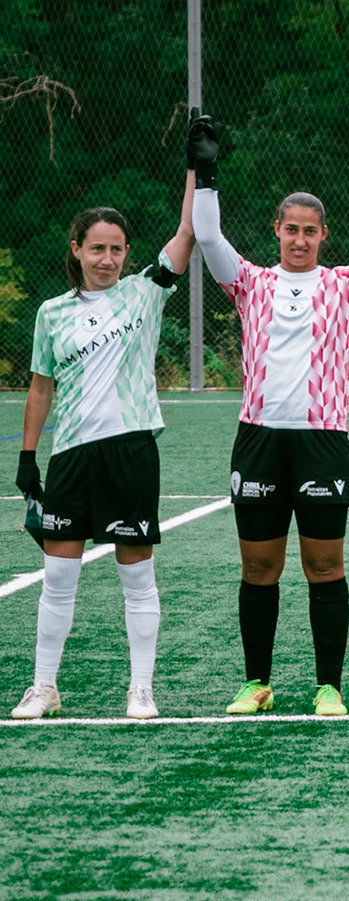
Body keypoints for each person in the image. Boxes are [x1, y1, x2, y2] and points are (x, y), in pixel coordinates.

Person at [188, 116, 349, 717]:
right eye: (290, 230)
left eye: (309, 232)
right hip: (259, 441)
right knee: (259, 566)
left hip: (322, 443)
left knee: (324, 565)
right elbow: (208, 241)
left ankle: (328, 686)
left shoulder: (344, 285)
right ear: (276, 231)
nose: (299, 240)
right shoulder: (250, 284)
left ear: (322, 236)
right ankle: (256, 682)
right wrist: (204, 173)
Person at [12, 178, 196, 720]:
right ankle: (43, 686)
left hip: (131, 451)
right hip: (71, 456)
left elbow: (187, 232)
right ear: (76, 250)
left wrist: (194, 171)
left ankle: (141, 688)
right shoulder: (52, 313)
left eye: (117, 249)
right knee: (59, 576)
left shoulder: (144, 291)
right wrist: (27, 458)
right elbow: (41, 387)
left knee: (136, 573)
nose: (108, 258)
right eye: (97, 248)